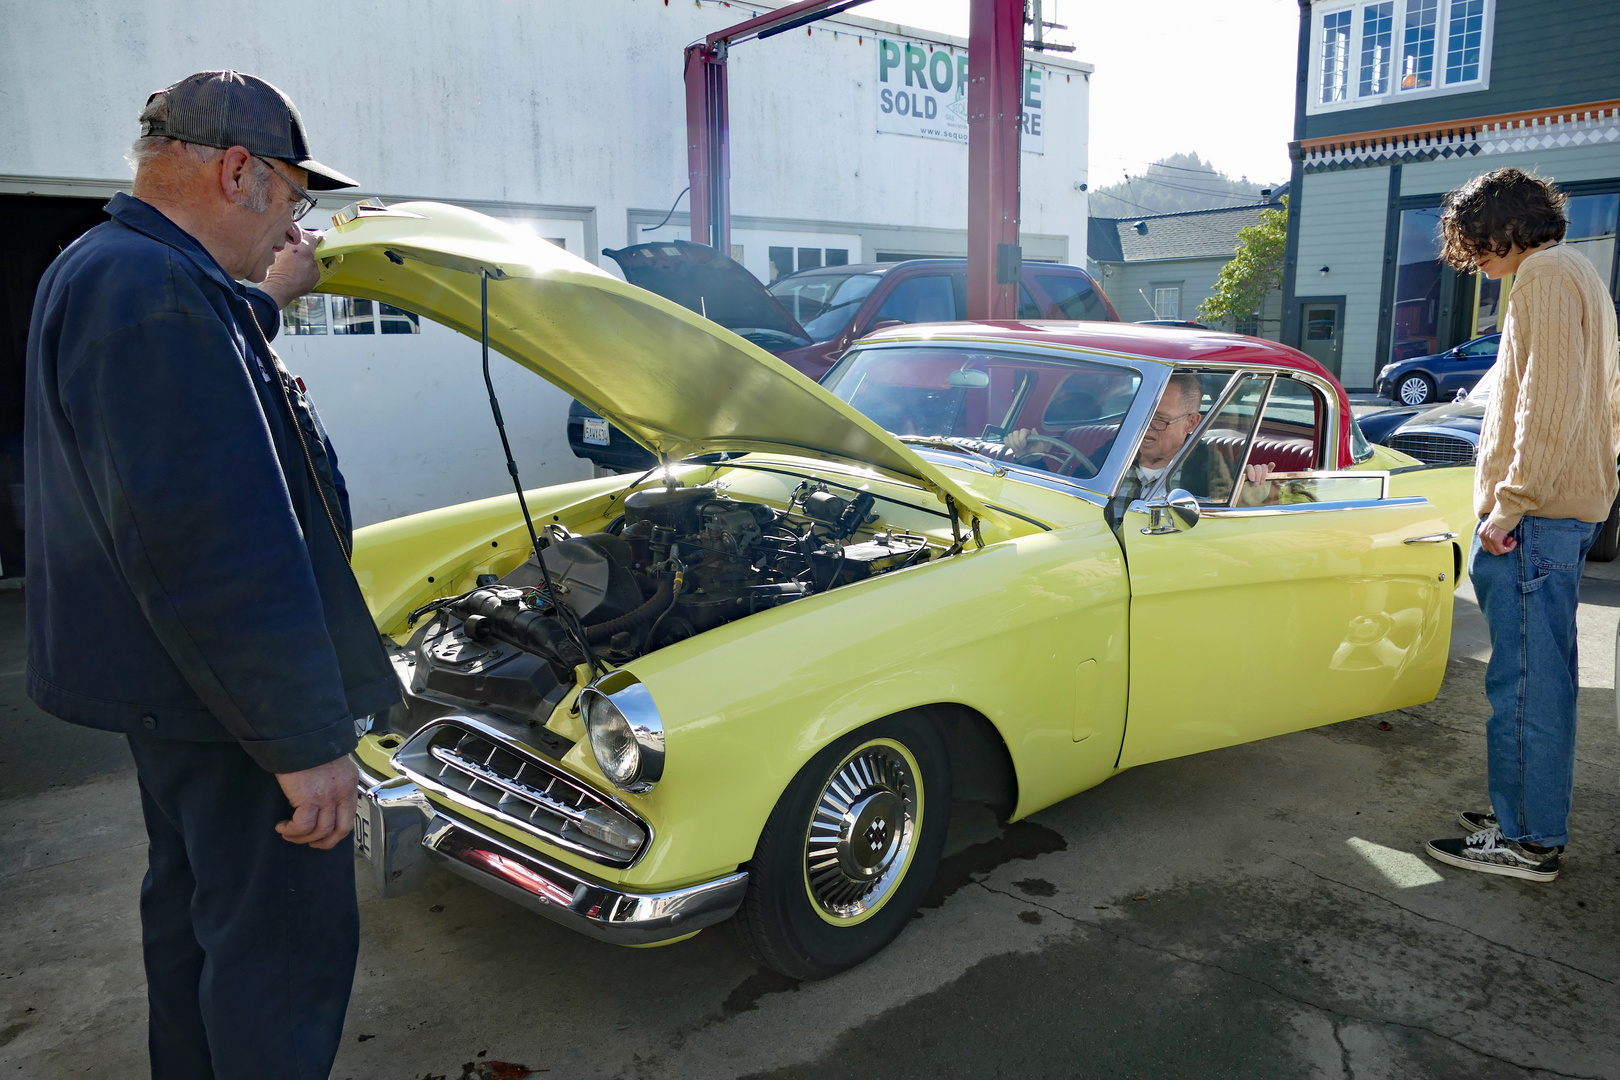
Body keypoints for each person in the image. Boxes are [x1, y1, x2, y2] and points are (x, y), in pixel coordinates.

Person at [24, 72, 401, 1077]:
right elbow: (211, 542)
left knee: (199, 918)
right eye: (291, 195)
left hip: (180, 695)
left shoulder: (120, 272)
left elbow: (202, 387)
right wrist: (303, 741)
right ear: (239, 172)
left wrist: (262, 302)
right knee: (280, 956)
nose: (291, 223)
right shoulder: (149, 290)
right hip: (233, 710)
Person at [1424, 168, 1620, 882]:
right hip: (1563, 514)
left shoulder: (1540, 277)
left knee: (1526, 683)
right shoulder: (1584, 277)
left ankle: (1528, 838)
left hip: (1533, 519)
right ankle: (1522, 812)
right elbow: (1605, 400)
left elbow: (1546, 404)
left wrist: (1510, 503)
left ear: (1501, 230)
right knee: (1544, 681)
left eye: (1476, 247)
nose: (1475, 262)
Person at [1005, 372, 1272, 501]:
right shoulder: (1114, 453)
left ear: (1191, 422)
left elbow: (1231, 527)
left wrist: (1257, 490)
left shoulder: (1212, 469)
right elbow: (1066, 502)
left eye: (1158, 419)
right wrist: (1030, 457)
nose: (1144, 428)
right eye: (1140, 417)